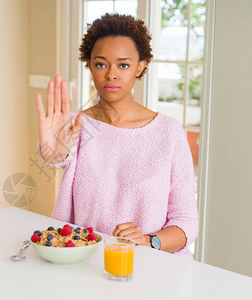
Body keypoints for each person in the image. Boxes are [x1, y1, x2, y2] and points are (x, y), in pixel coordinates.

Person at [35, 13, 198, 259]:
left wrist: (148, 240)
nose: (111, 74)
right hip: (85, 263)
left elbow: (186, 224)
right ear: (89, 65)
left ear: (140, 67)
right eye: (101, 64)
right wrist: (52, 153)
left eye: (123, 65)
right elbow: (56, 155)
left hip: (152, 269)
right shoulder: (76, 127)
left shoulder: (169, 133)